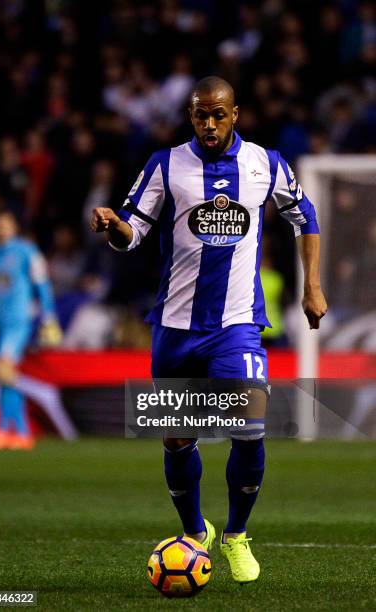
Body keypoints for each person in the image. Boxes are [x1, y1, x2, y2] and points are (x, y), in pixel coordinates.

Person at [91, 76, 327, 583]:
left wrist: (312, 286)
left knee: (250, 427)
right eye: (201, 115)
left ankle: (237, 534)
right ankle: (196, 533)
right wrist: (114, 226)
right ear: (191, 116)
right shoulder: (165, 164)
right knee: (178, 438)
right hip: (174, 328)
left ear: (235, 114)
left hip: (237, 326)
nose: (210, 124)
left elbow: (305, 216)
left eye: (219, 114)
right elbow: (133, 232)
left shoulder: (265, 163)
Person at [0, 210, 62, 450]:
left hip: (18, 320)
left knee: (3, 368)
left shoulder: (26, 252)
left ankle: (4, 428)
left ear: (14, 227)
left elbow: (42, 284)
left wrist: (48, 317)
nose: (2, 228)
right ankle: (19, 431)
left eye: (6, 224)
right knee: (3, 376)